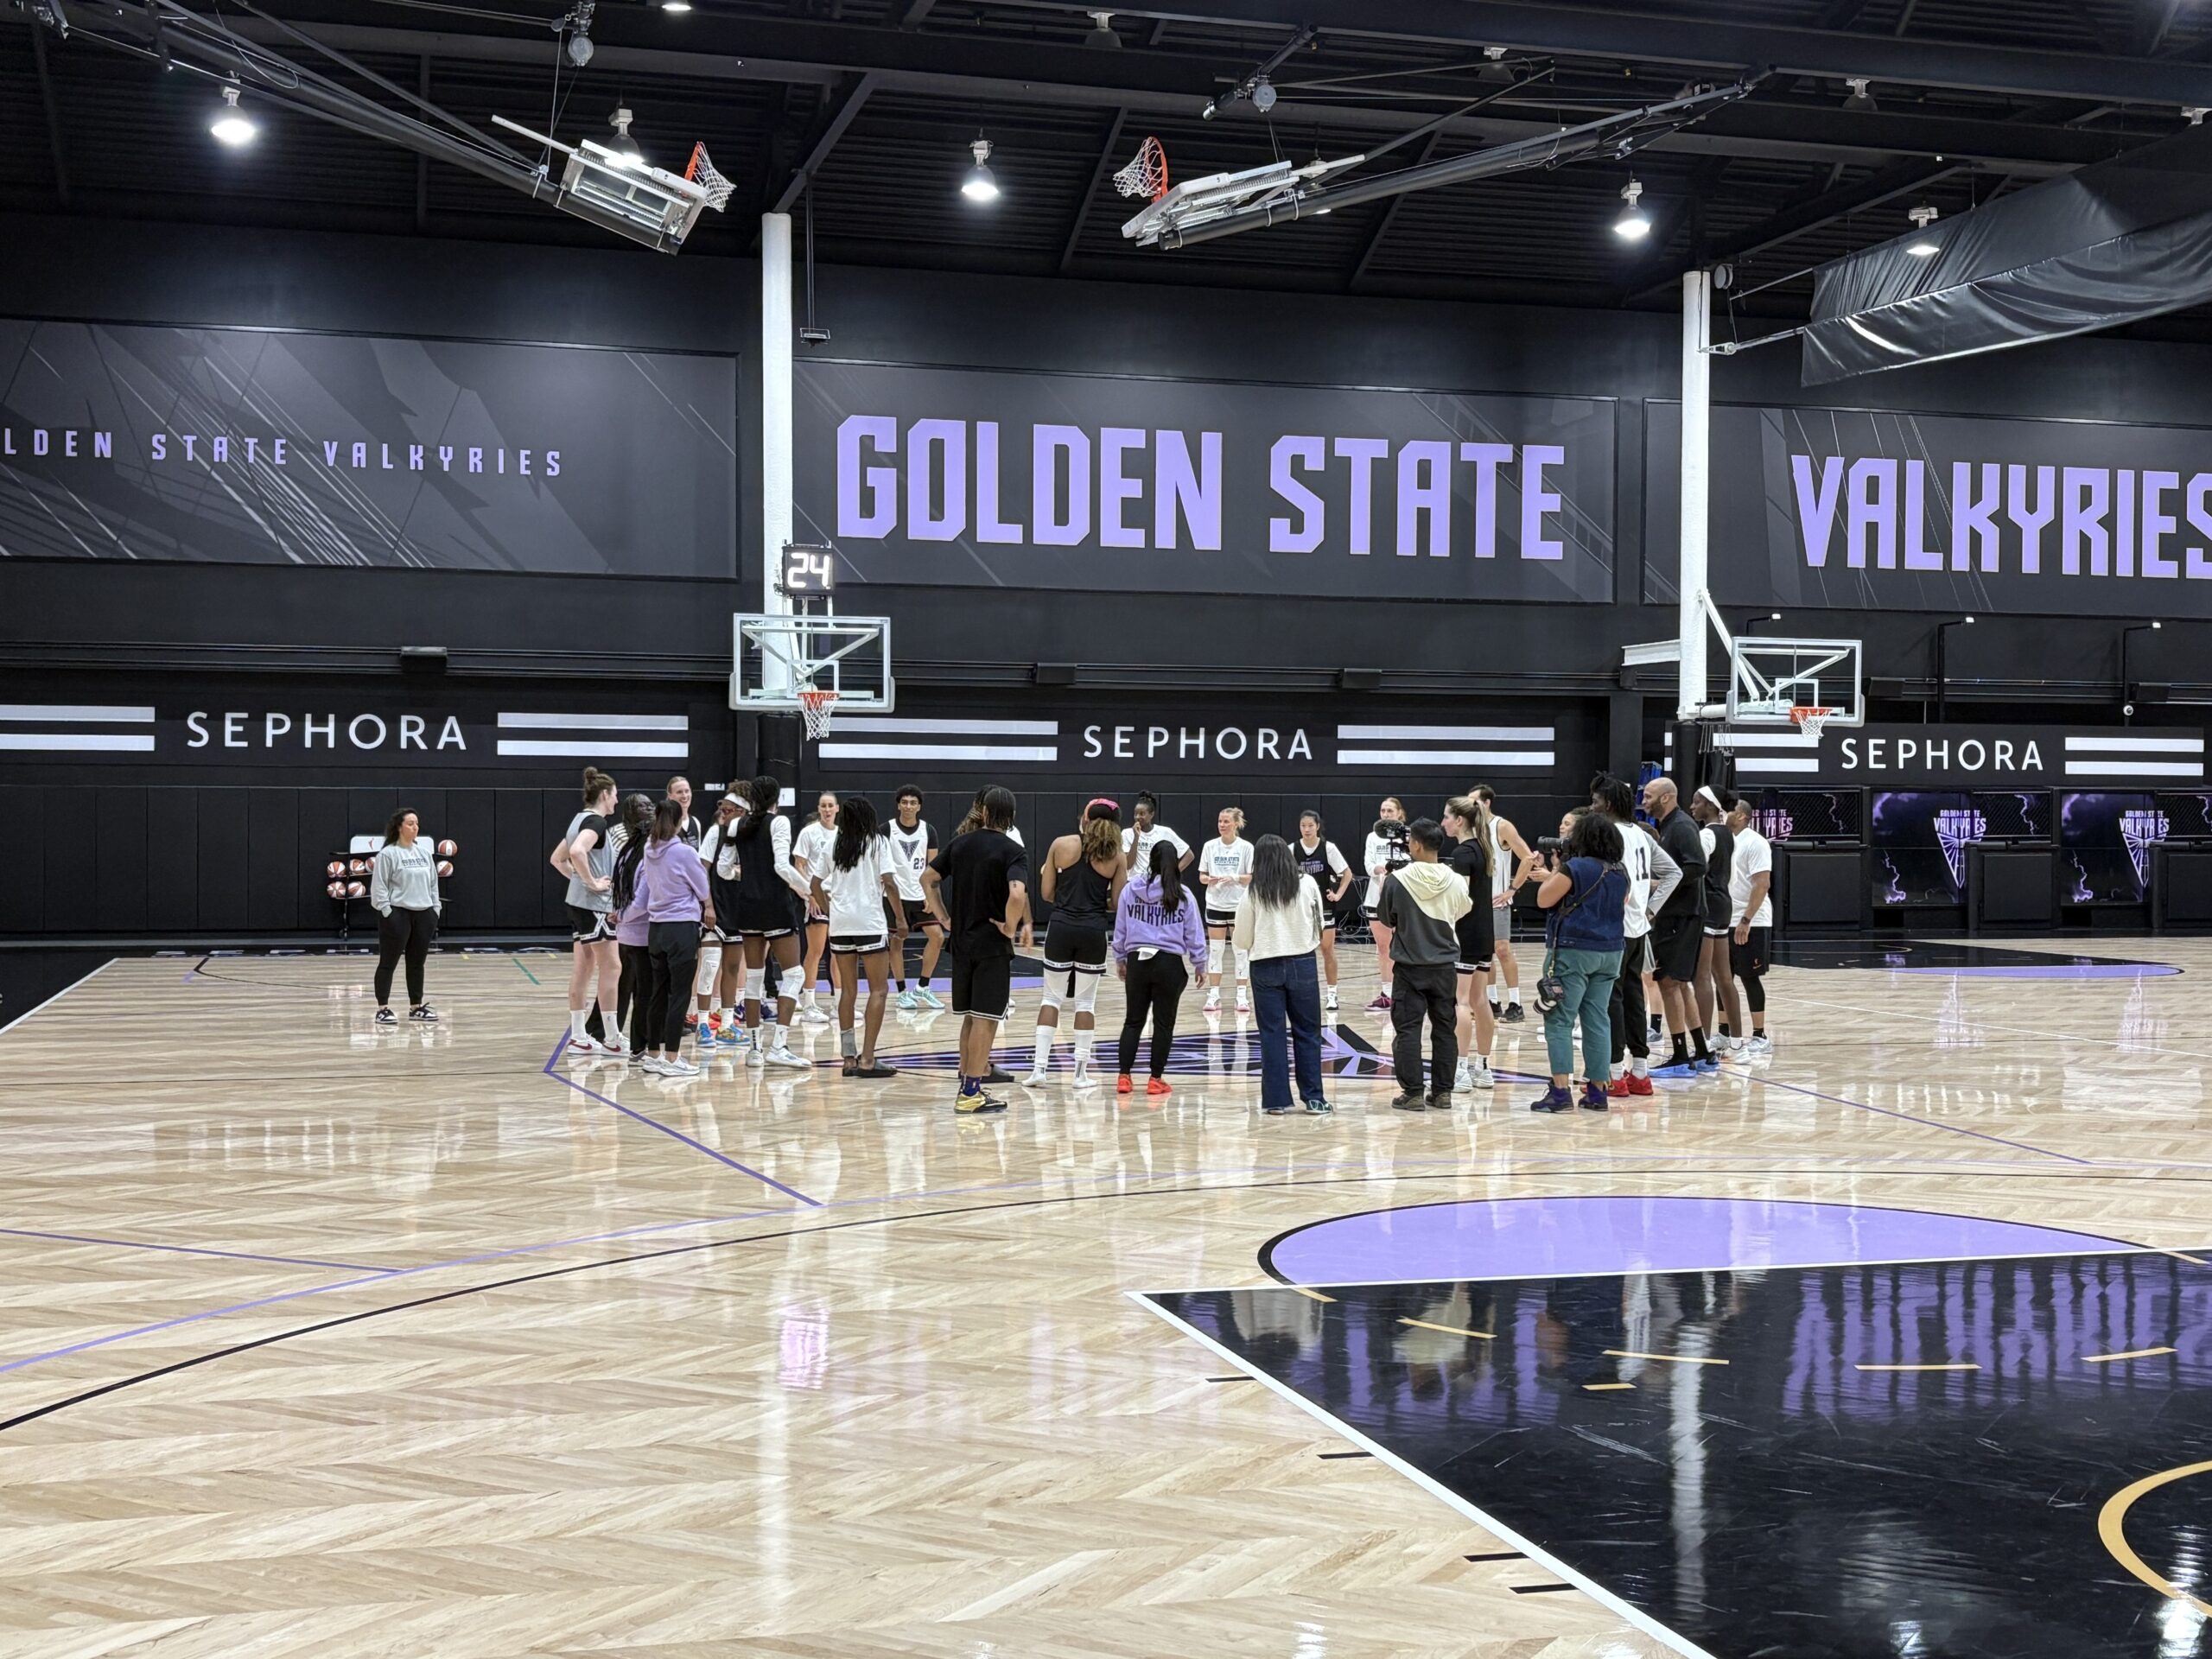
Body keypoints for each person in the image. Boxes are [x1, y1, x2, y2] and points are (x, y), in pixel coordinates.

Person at [925, 785, 1029, 1114]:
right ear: (1010, 818)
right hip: (991, 945)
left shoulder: (960, 843)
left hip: (962, 944)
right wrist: (1011, 927)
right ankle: (971, 1091)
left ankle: (967, 1083)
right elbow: (1017, 893)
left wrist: (942, 916)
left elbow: (928, 878)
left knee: (971, 1018)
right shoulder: (1013, 850)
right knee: (987, 1018)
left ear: (983, 812)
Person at [1529, 809, 1629, 1116]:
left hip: (1574, 950)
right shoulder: (1619, 871)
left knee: (1559, 1019)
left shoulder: (1576, 868)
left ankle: (1560, 1091)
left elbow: (1544, 899)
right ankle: (1598, 1092)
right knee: (1598, 1019)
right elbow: (1623, 903)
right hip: (1611, 951)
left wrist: (1558, 868)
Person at [1591, 775, 1681, 1099]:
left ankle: (1615, 1072)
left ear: (1609, 804)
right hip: (1638, 930)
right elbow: (1674, 872)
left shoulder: (1609, 834)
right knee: (1634, 999)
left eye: (1596, 801)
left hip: (1615, 928)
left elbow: (1615, 877)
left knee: (1611, 1001)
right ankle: (1640, 1072)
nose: (1592, 806)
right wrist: (1651, 910)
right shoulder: (1641, 834)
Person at [1374, 818, 1471, 1112]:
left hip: (1410, 966)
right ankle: (1443, 1092)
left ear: (1415, 844)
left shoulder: (1397, 879)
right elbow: (1463, 909)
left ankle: (1413, 1092)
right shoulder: (1455, 879)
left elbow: (1385, 918)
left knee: (1408, 1030)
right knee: (1444, 1029)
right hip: (1444, 968)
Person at [1028, 799, 1126, 1088]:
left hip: (1060, 927)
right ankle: (1080, 1075)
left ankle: (1039, 1071)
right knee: (1086, 1003)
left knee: (1051, 998)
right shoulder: (1116, 855)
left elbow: (1047, 894)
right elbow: (1118, 902)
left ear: (1085, 817)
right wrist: (1094, 901)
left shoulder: (1061, 844)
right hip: (1093, 930)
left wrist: (1070, 897)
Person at [1233, 835, 1332, 1116]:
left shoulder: (1253, 892)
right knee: (1308, 1033)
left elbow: (1241, 938)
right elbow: (1319, 925)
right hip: (1302, 963)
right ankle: (1314, 1099)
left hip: (1264, 966)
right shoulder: (1308, 884)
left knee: (1272, 1034)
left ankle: (1276, 1101)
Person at [810, 793, 903, 1079]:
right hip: (869, 924)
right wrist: (900, 918)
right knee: (879, 990)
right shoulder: (877, 842)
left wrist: (829, 910)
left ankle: (849, 1058)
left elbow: (814, 884)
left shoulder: (833, 843)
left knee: (847, 991)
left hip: (840, 926)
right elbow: (888, 881)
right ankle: (868, 1058)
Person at [728, 774, 815, 1071]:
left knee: (754, 979)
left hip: (747, 907)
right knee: (794, 975)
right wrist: (806, 888)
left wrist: (750, 876)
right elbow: (781, 865)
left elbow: (727, 870)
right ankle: (779, 1045)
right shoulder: (779, 822)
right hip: (775, 906)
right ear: (776, 798)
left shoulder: (736, 824)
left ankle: (754, 1051)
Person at [1113, 841, 1207, 1096]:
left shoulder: (1130, 890)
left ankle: (1124, 1077)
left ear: (1149, 860)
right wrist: (1200, 963)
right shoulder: (1183, 894)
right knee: (1164, 1024)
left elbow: (1120, 929)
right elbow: (1194, 933)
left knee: (1133, 1020)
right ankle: (1155, 1078)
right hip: (1169, 964)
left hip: (1137, 962)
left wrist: (1120, 959)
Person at [633, 795, 714, 1078]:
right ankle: (673, 1057)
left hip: (656, 929)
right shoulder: (684, 852)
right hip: (681, 928)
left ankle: (653, 1054)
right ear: (681, 820)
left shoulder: (649, 847)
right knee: (679, 994)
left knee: (658, 993)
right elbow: (702, 887)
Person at [1640, 775, 1712, 1076]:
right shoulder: (1669, 826)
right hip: (1682, 914)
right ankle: (1704, 1053)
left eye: (1648, 796)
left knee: (1668, 983)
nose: (1644, 802)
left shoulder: (1681, 826)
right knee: (1679, 984)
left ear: (1666, 798)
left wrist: (1661, 883)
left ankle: (1681, 1055)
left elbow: (1697, 866)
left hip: (1681, 914)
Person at [550, 767, 621, 1056]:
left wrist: (581, 881)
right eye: (615, 796)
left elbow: (557, 859)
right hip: (595, 907)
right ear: (605, 795)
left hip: (578, 904)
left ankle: (580, 1035)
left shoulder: (578, 819)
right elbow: (577, 852)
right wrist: (592, 883)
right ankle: (612, 1038)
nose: (617, 801)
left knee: (584, 967)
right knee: (613, 966)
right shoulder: (597, 823)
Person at [1440, 796, 1497, 1093]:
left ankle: (1460, 1069)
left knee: (1460, 1001)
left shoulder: (1463, 853)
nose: (1443, 823)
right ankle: (1483, 1066)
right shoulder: (1484, 849)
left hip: (1465, 934)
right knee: (1480, 999)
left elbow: (1460, 900)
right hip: (1484, 934)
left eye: (1447, 817)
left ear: (1459, 820)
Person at [369, 807, 442, 1026]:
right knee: (388, 962)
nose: (415, 827)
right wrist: (387, 911)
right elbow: (379, 887)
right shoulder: (388, 854)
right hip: (397, 914)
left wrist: (435, 908)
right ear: (399, 827)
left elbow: (433, 884)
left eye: (417, 823)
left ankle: (416, 1007)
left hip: (424, 914)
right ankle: (383, 1008)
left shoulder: (424, 854)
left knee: (417, 963)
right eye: (411, 823)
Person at [1473, 784, 1537, 1027]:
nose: (1471, 806)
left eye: (1475, 801)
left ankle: (1516, 1003)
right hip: (1477, 901)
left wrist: (1512, 889)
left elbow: (1528, 857)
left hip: (1498, 900)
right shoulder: (1472, 827)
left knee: (1502, 950)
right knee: (1484, 954)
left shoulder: (1502, 825)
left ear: (1487, 802)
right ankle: (1492, 1001)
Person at [1690, 785, 1741, 1060]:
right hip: (1724, 904)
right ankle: (1737, 1043)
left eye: (1697, 802)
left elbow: (1696, 869)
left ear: (1711, 805)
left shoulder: (1707, 834)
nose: (1692, 806)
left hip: (1708, 904)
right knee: (1724, 977)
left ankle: (1703, 1043)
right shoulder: (1728, 834)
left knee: (1701, 977)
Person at [696, 792, 747, 1051]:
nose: (723, 813)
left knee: (732, 969)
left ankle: (727, 1024)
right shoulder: (715, 834)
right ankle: (702, 1023)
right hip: (714, 909)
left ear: (742, 811)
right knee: (709, 967)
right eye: (723, 809)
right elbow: (701, 869)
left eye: (729, 810)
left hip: (739, 911)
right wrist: (707, 905)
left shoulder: (750, 836)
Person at [606, 792, 657, 1058]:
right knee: (635, 987)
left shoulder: (638, 847)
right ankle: (634, 1042)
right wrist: (620, 913)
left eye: (651, 805)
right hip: (634, 925)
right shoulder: (626, 845)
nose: (648, 809)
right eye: (643, 806)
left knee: (636, 987)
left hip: (628, 924)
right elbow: (640, 897)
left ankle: (618, 1036)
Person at [886, 786, 945, 1009]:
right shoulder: (886, 830)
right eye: (905, 802)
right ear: (898, 805)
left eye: (913, 802)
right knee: (897, 942)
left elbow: (933, 867)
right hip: (895, 896)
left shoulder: (928, 830)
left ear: (919, 806)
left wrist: (932, 895)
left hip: (920, 895)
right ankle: (902, 992)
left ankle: (923, 987)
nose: (908, 806)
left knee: (937, 937)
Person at [1292, 810, 1355, 1012]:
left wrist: (1338, 895)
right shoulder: (1292, 849)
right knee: (1301, 952)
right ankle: (1302, 995)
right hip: (1301, 907)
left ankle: (1332, 993)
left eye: (1310, 825)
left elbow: (1347, 873)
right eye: (1303, 825)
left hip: (1324, 906)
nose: (1307, 829)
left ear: (1317, 826)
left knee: (1327, 950)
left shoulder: (1328, 848)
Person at [1726, 797, 1775, 1056]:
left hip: (1752, 921)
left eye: (1730, 810)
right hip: (1726, 919)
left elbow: (1762, 884)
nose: (1724, 813)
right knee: (1724, 979)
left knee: (1749, 976)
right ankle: (1724, 1034)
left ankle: (1759, 1035)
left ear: (1743, 816)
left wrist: (1746, 920)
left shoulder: (1755, 842)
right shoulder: (1723, 840)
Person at [1198, 807, 1255, 1014]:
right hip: (1215, 904)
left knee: (1241, 951)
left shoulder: (1246, 847)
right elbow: (1202, 876)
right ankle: (1214, 995)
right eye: (1220, 821)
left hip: (1239, 905)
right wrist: (1209, 880)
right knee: (1215, 950)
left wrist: (1236, 878)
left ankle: (1241, 996)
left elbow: (1251, 876)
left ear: (1236, 824)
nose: (1222, 825)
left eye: (1226, 822)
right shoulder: (1210, 846)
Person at [791, 790, 839, 1027]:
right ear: (819, 809)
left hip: (839, 898)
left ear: (837, 809)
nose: (827, 810)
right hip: (816, 897)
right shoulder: (808, 833)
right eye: (823, 806)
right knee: (815, 951)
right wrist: (808, 894)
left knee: (840, 952)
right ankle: (809, 1002)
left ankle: (839, 1003)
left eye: (831, 806)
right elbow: (799, 864)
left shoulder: (842, 835)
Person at [1361, 797, 1412, 1012]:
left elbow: (1414, 861)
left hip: (1404, 897)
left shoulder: (1409, 834)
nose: (1385, 815)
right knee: (1383, 948)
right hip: (1377, 897)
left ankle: (1409, 992)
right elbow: (1368, 864)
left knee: (1406, 946)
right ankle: (1387, 992)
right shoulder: (1373, 837)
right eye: (1382, 811)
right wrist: (1380, 870)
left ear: (1399, 813)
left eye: (1390, 811)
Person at [1122, 791, 1192, 873]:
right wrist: (1136, 837)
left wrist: (1172, 875)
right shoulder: (1127, 833)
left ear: (1152, 814)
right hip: (1135, 882)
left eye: (1142, 814)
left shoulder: (1165, 832)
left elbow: (1189, 855)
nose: (1138, 817)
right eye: (1135, 814)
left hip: (1156, 881)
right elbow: (1128, 865)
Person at [667, 776, 704, 849]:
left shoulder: (695, 822)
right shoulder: (665, 823)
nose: (684, 796)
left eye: (687, 791)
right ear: (670, 796)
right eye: (679, 792)